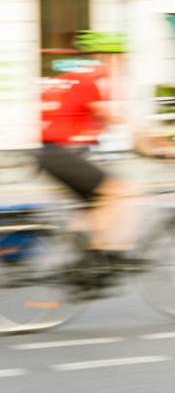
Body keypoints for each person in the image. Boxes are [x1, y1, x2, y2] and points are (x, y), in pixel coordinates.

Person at [37, 51, 143, 271]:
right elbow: (110, 118)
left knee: (97, 202)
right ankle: (102, 250)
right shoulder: (88, 83)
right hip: (60, 153)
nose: (117, 69)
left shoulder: (67, 78)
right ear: (106, 60)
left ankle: (93, 255)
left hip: (50, 152)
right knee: (118, 191)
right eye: (118, 62)